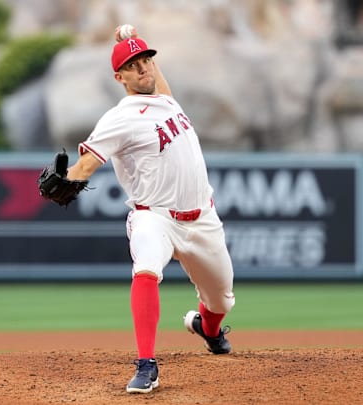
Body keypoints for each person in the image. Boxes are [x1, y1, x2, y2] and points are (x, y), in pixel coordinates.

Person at [65, 26, 236, 394]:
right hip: (154, 216)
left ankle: (206, 328)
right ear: (120, 77)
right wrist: (64, 181)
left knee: (222, 299)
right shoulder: (119, 117)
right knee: (145, 268)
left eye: (146, 60)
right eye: (133, 64)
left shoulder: (168, 101)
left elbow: (159, 80)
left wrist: (136, 39)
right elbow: (85, 166)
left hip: (202, 219)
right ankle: (146, 365)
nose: (143, 68)